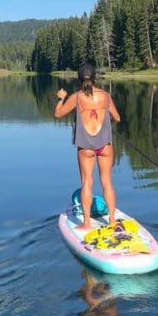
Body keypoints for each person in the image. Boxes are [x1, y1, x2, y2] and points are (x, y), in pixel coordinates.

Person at [54, 63, 121, 231]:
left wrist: (61, 97)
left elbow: (58, 113)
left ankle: (86, 224)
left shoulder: (76, 97)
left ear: (79, 78)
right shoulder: (105, 96)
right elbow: (117, 118)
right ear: (95, 77)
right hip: (105, 145)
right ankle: (113, 221)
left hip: (86, 148)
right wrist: (106, 121)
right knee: (107, 181)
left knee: (86, 183)